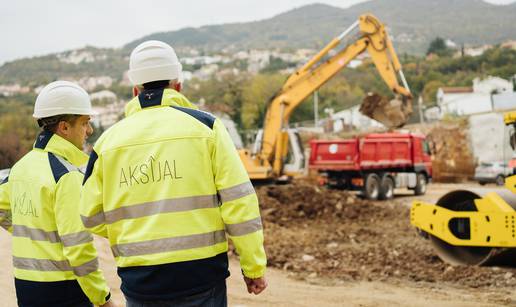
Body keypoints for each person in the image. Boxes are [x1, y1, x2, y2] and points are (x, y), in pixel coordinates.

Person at [80, 40, 267, 307]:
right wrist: (253, 267)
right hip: (200, 275)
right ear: (177, 85)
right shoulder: (208, 128)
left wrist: (135, 231)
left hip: (141, 279)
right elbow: (240, 205)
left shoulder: (107, 143)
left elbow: (89, 214)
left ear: (135, 90)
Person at [0, 81, 114, 307]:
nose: (89, 131)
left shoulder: (21, 167)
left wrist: (34, 233)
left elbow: (2, 210)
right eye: (84, 123)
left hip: (26, 286)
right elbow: (79, 250)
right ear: (64, 127)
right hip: (64, 289)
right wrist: (103, 298)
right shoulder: (66, 175)